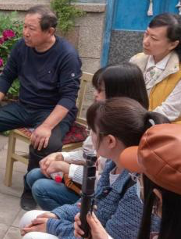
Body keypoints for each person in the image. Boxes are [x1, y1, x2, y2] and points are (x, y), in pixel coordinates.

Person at [18, 123, 181, 239]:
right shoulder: (168, 236)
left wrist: (55, 226)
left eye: (140, 176)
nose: (136, 179)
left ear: (158, 198)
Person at [18, 97, 166, 239]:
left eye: (93, 131)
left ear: (110, 141)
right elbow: (88, 205)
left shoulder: (138, 189)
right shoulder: (114, 164)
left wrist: (53, 226)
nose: (90, 136)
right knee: (31, 219)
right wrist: (58, 215)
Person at [0, 5, 83, 211]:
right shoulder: (21, 47)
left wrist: (46, 126)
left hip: (53, 111)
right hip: (25, 106)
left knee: (45, 142)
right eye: (24, 26)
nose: (25, 33)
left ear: (50, 31)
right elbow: (7, 76)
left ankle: (31, 188)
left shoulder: (66, 55)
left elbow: (69, 97)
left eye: (31, 28)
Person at [26, 63, 149, 211]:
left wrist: (67, 168)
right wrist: (62, 156)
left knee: (41, 187)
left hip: (100, 199)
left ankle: (71, 219)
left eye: (100, 90)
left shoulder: (127, 133)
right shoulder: (106, 118)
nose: (95, 94)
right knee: (35, 175)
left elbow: (105, 184)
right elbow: (90, 153)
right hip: (93, 185)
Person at [130, 12, 181, 123]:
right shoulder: (136, 60)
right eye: (146, 34)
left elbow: (170, 110)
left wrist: (138, 125)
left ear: (173, 44)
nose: (146, 42)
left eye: (154, 38)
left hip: (163, 129)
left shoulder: (178, 72)